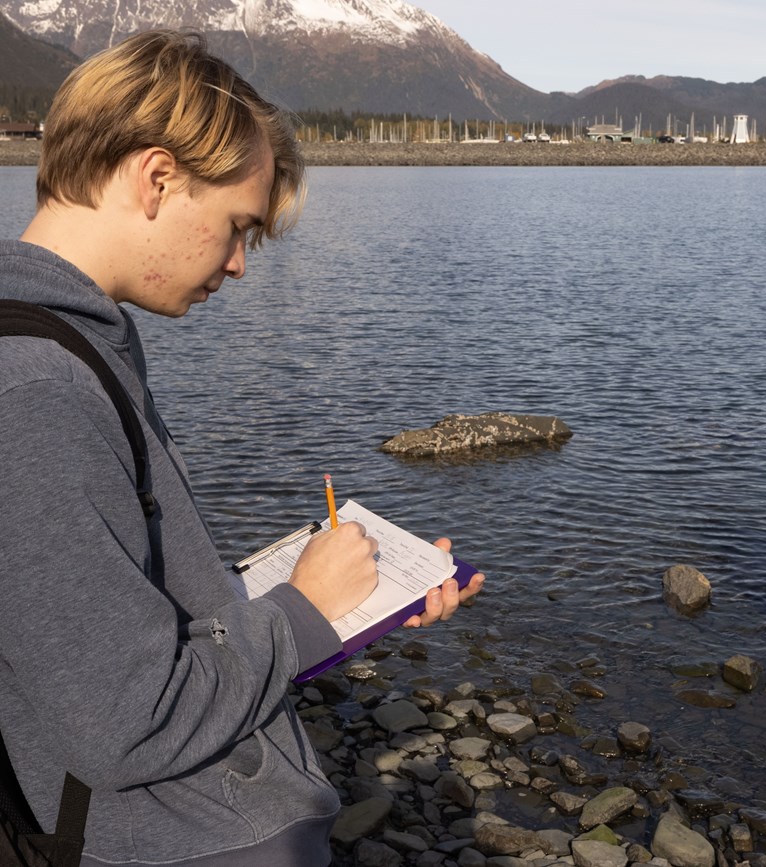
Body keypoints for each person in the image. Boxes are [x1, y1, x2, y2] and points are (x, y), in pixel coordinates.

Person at [0, 30, 483, 865]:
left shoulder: (73, 344)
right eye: (235, 226)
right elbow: (126, 717)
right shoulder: (39, 389)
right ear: (157, 178)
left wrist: (336, 601)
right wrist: (306, 612)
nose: (238, 264)